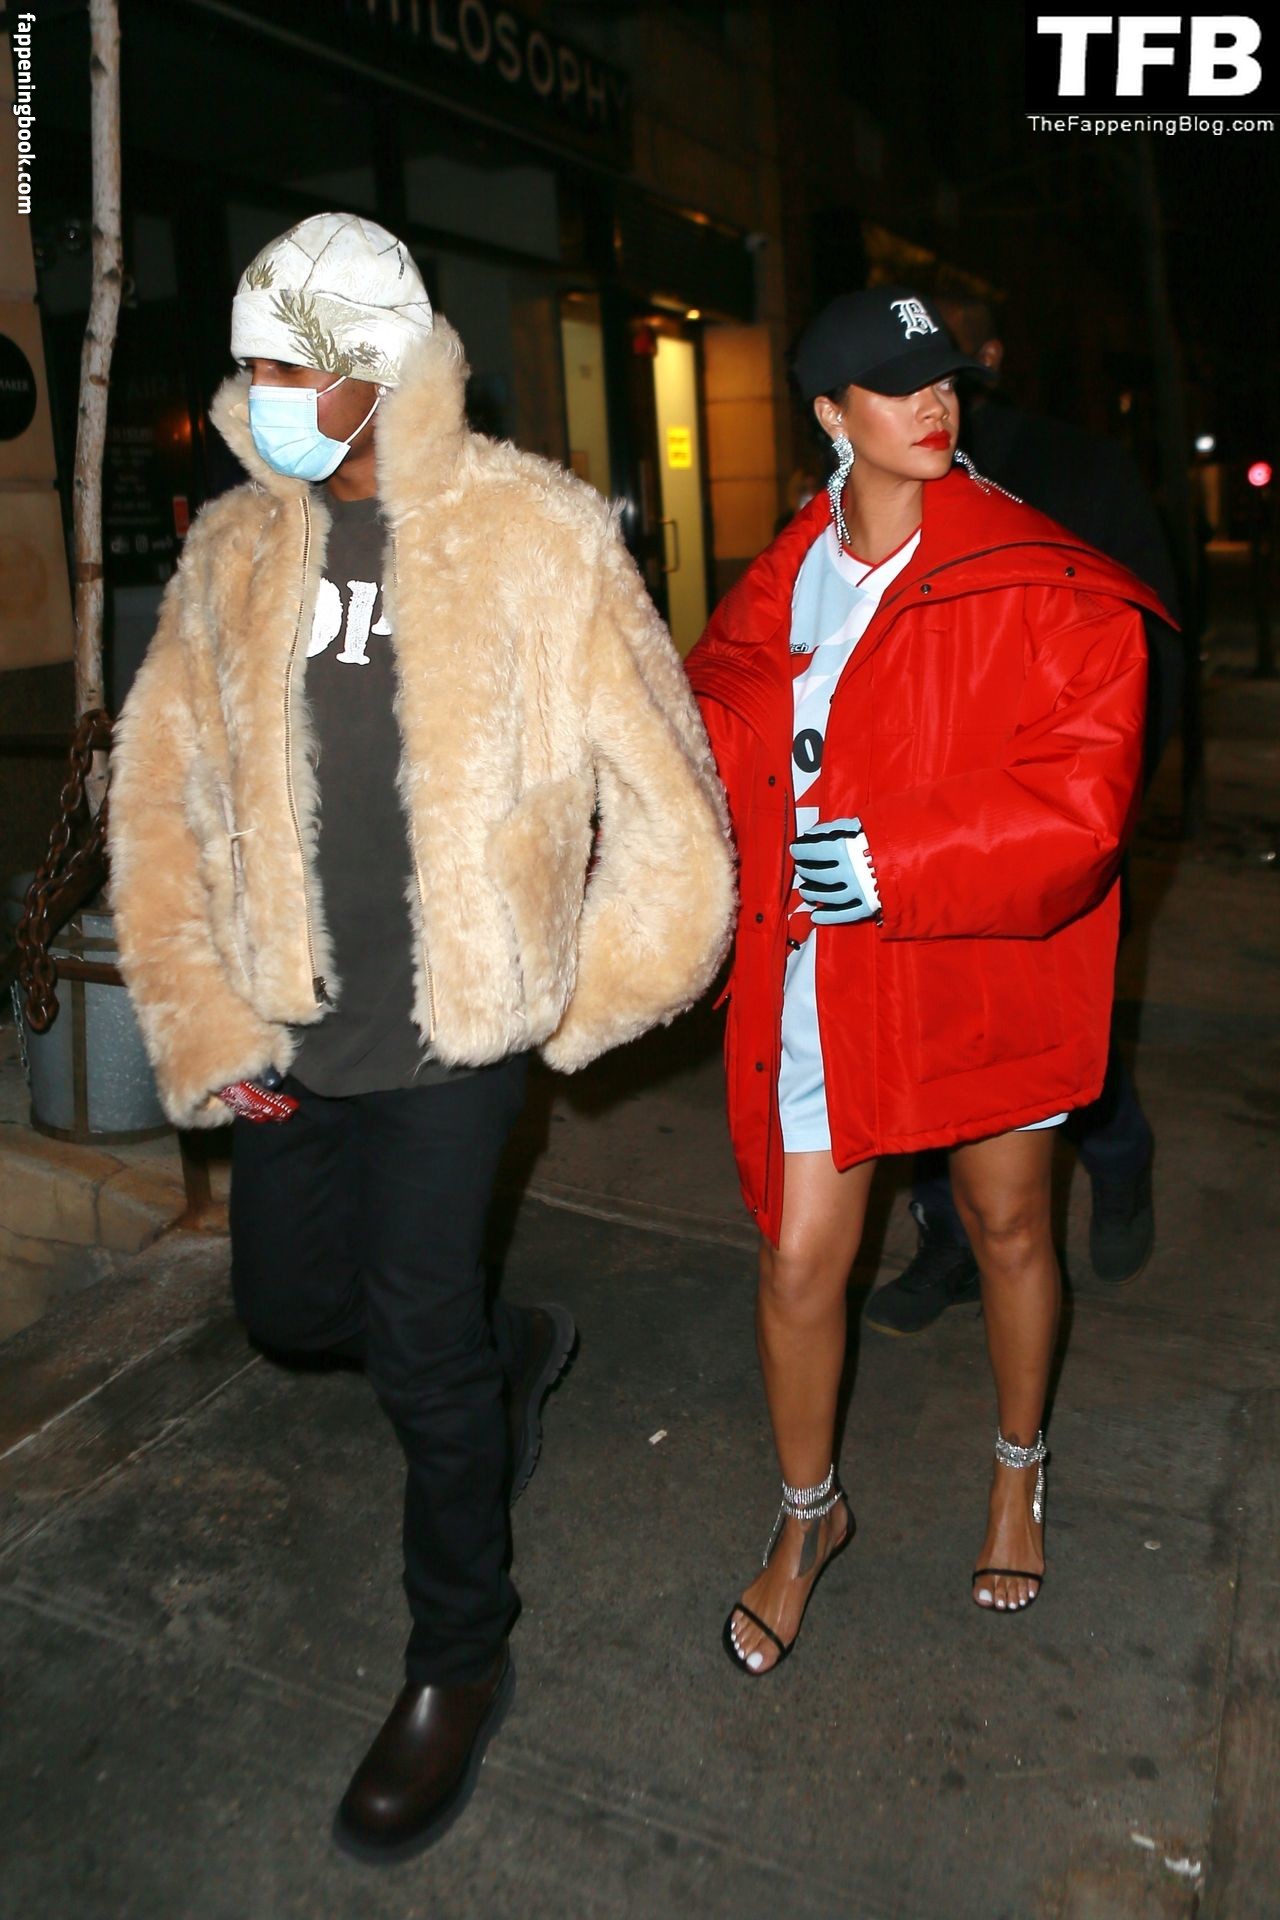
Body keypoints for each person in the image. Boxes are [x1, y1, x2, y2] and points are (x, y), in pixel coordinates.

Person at [110, 213, 734, 1857]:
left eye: (285, 366)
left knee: (418, 1341)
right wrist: (204, 1010)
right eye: (248, 366)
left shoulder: (535, 533)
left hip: (456, 1036)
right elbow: (163, 792)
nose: (257, 395)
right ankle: (507, 1348)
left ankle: (459, 1658)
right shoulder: (238, 548)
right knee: (291, 1311)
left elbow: (668, 798)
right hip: (290, 1026)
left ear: (375, 366)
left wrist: (567, 999)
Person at [686, 286, 1168, 1672]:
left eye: (944, 376)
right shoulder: (781, 580)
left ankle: (1017, 1472)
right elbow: (711, 737)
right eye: (898, 384)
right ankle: (807, 1519)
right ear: (830, 415)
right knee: (798, 1259)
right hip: (819, 968)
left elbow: (1085, 794)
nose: (935, 401)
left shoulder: (1037, 570)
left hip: (973, 957)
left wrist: (897, 856)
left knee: (1007, 1224)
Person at [866, 290, 1183, 1334]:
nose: (921, 374)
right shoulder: (874, 474)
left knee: (1050, 1023)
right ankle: (949, 1237)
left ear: (989, 357)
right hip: (913, 825)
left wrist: (1110, 804)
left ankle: (1116, 1154)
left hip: (1052, 817)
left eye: (944, 352)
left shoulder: (1077, 469)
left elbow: (1151, 645)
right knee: (924, 1032)